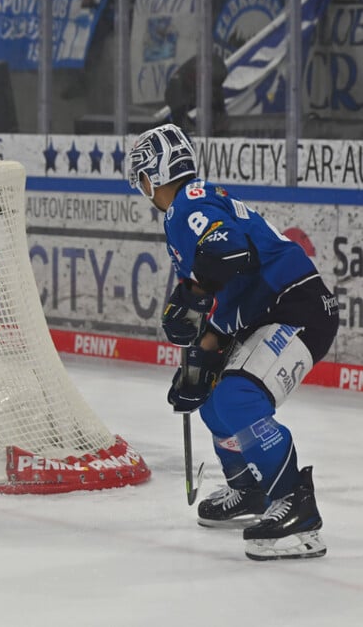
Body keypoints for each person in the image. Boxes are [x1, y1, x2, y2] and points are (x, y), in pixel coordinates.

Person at [127, 124, 339, 561]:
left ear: (151, 177)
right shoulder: (192, 207)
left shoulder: (186, 204)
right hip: (269, 309)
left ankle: (297, 509)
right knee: (208, 392)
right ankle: (251, 488)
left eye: (142, 180)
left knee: (239, 397)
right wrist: (205, 347)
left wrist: (191, 296)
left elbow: (230, 252)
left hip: (297, 306)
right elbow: (234, 283)